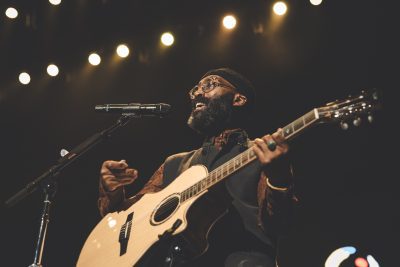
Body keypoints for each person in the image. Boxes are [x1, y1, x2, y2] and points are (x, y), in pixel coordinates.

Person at [98, 67, 296, 267]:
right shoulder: (174, 163)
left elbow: (281, 225)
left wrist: (279, 178)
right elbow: (132, 221)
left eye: (209, 85)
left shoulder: (261, 152)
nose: (198, 94)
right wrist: (113, 192)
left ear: (238, 99)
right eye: (195, 89)